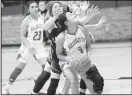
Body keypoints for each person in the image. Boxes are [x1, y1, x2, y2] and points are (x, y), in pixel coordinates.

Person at [2, 1, 61, 94]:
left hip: (39, 46)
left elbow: (47, 21)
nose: (35, 8)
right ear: (28, 9)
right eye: (32, 7)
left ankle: (38, 85)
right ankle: (7, 88)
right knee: (19, 68)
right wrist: (29, 46)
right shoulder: (26, 20)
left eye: (35, 7)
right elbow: (22, 36)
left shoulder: (41, 17)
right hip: (27, 45)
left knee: (46, 67)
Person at [55, 9, 106, 94]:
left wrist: (86, 57)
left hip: (82, 60)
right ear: (66, 23)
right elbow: (59, 55)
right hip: (67, 63)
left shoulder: (83, 29)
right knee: (74, 79)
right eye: (70, 15)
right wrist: (69, 59)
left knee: (96, 80)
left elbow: (89, 46)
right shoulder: (61, 37)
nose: (73, 14)